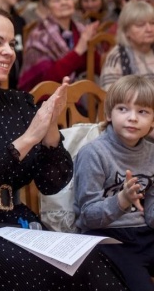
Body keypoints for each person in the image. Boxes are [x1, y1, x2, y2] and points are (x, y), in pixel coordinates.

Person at [0, 5, 127, 290]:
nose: (8, 51)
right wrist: (28, 138)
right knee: (57, 272)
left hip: (17, 224)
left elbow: (52, 183)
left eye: (11, 43)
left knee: (96, 259)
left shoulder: (19, 104)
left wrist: (50, 129)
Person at [74, 75, 154, 291]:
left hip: (144, 233)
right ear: (109, 114)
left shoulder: (152, 153)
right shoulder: (93, 154)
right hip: (108, 238)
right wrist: (122, 199)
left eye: (142, 111)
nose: (132, 118)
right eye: (123, 109)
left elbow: (150, 212)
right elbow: (88, 216)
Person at [18, 0, 99, 92]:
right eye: (57, 0)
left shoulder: (81, 30)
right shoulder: (40, 36)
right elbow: (46, 80)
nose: (64, 2)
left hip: (79, 93)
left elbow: (97, 69)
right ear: (47, 8)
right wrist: (79, 50)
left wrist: (91, 45)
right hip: (48, 96)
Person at [100, 0, 154, 90]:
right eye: (140, 25)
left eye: (152, 23)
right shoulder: (118, 57)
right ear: (126, 31)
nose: (149, 29)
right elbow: (109, 94)